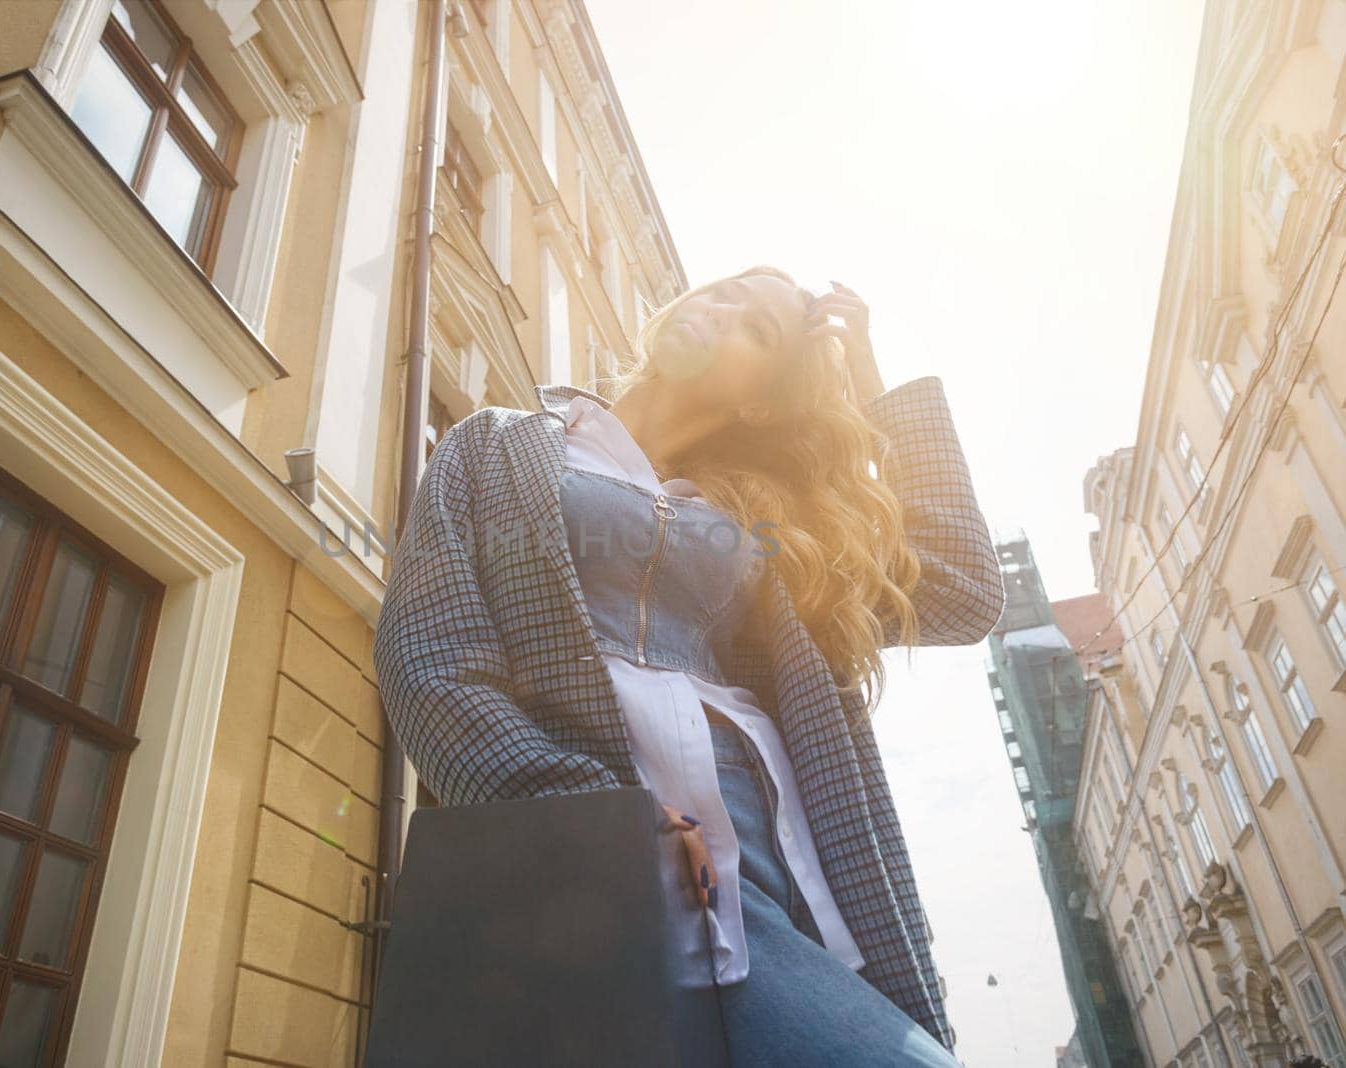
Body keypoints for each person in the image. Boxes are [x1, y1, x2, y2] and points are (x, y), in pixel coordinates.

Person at [372, 265, 1005, 1066]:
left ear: (761, 403)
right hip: (599, 858)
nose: (723, 305)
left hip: (776, 868)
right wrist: (588, 811)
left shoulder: (769, 523)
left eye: (757, 327)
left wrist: (877, 388)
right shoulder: (496, 445)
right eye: (726, 288)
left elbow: (961, 591)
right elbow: (429, 653)